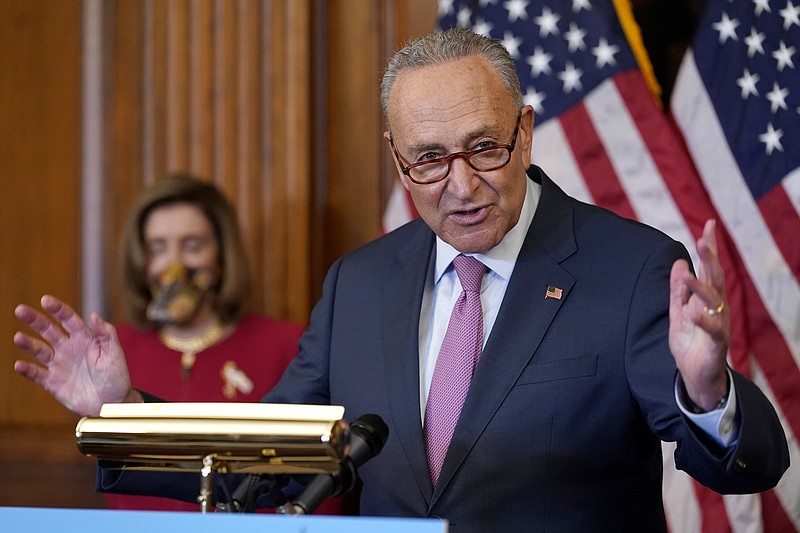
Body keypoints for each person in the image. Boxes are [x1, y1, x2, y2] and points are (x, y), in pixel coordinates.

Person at [13, 29, 788, 532]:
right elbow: (265, 461)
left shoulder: (631, 266)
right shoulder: (361, 283)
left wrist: (708, 388)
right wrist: (122, 413)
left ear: (523, 133)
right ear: (397, 161)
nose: (459, 184)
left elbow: (747, 465)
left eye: (483, 147)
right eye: (428, 159)